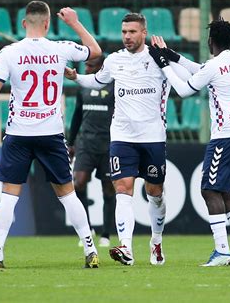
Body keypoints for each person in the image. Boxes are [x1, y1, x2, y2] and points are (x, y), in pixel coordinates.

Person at [0, 1, 102, 269]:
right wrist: (74, 22)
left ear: (24, 23)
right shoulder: (61, 49)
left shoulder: (9, 52)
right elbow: (95, 52)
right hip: (51, 133)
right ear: (47, 23)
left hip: (19, 133)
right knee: (68, 194)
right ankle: (90, 250)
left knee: (9, 195)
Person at [148, 18, 230, 267]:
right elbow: (202, 69)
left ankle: (221, 250)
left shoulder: (214, 66)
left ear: (210, 41)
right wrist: (172, 56)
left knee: (208, 189)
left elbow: (185, 89)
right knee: (222, 190)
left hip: (226, 135)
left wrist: (164, 64)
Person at [65, 13, 170, 266]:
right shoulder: (114, 60)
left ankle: (156, 240)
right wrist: (77, 77)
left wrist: (170, 58)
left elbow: (183, 80)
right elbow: (97, 81)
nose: (127, 36)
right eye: (124, 32)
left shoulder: (158, 59)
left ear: (143, 33)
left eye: (132, 32)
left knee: (154, 193)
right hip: (122, 136)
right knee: (122, 190)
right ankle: (126, 247)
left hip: (153, 137)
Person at [67, 55, 116, 248]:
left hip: (108, 144)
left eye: (90, 65)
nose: (86, 68)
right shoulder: (83, 87)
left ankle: (106, 234)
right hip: (86, 144)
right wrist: (71, 143)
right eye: (85, 65)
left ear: (100, 67)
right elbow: (77, 116)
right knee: (78, 183)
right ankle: (87, 229)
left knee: (108, 189)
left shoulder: (114, 87)